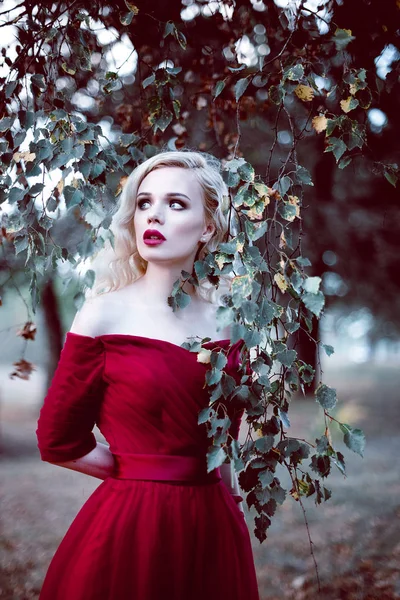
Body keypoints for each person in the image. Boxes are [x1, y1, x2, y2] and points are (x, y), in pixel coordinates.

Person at [36, 150, 260, 599]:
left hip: (214, 523)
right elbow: (57, 441)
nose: (154, 214)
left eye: (176, 204)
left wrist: (230, 504)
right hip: (134, 523)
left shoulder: (232, 322)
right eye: (144, 202)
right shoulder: (103, 315)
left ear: (208, 227)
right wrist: (142, 472)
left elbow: (224, 443)